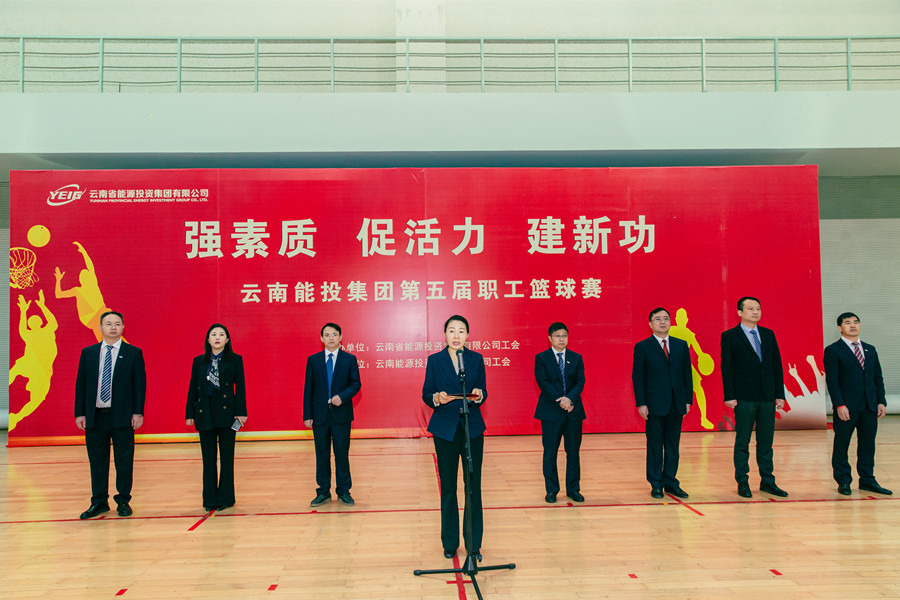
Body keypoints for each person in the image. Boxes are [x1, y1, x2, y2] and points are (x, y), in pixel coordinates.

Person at [422, 315, 487, 559]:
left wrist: (480, 394)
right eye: (451, 330)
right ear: (445, 334)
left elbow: (483, 390)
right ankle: (450, 543)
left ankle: (473, 544)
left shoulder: (476, 359)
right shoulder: (435, 360)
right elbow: (426, 393)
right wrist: (436, 398)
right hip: (445, 430)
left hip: (472, 429)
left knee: (473, 487)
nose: (456, 335)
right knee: (448, 487)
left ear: (468, 335)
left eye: (461, 331)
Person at [74, 310, 146, 519]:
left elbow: (139, 384)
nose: (113, 327)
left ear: (123, 327)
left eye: (117, 323)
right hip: (95, 416)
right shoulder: (88, 353)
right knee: (97, 460)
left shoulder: (133, 353)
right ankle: (99, 501)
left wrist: (138, 412)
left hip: (122, 416)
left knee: (124, 459)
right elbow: (81, 384)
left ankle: (123, 500)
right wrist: (80, 412)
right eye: (108, 323)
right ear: (100, 327)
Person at [720, 296, 787, 498]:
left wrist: (779, 394)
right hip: (744, 397)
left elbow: (776, 365)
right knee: (743, 442)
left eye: (758, 308)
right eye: (750, 309)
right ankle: (742, 481)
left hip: (767, 397)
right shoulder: (730, 336)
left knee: (766, 442)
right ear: (740, 312)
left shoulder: (768, 334)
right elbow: (726, 368)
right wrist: (730, 395)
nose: (755, 312)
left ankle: (768, 481)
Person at [823, 312, 891, 496]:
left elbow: (877, 378)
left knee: (868, 445)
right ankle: (844, 481)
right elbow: (832, 381)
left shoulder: (870, 349)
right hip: (847, 407)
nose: (853, 325)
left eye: (856, 322)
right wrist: (839, 405)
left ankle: (867, 480)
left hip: (870, 406)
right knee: (842, 445)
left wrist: (881, 401)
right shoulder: (833, 350)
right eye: (847, 323)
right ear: (840, 327)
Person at [185, 323, 248, 512]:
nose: (217, 337)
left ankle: (226, 498)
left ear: (227, 340)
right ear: (208, 339)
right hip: (205, 413)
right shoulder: (199, 361)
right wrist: (189, 413)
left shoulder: (235, 360)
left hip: (227, 413)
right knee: (208, 459)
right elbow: (192, 387)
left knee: (227, 458)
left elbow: (241, 387)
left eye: (221, 334)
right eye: (214, 334)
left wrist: (241, 412)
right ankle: (210, 498)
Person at [632, 308, 693, 499]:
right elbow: (638, 377)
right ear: (650, 324)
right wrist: (641, 403)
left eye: (666, 318)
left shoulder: (681, 345)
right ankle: (656, 483)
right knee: (655, 445)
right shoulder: (643, 346)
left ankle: (671, 482)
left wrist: (687, 400)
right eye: (657, 319)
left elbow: (687, 374)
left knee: (673, 445)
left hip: (676, 402)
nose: (662, 322)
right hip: (654, 404)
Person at [303, 323, 361, 507]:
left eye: (334, 334)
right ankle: (323, 491)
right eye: (327, 335)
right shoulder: (313, 360)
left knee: (341, 454)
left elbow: (356, 384)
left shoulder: (349, 359)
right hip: (319, 415)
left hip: (341, 415)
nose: (330, 338)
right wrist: (307, 414)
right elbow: (308, 389)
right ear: (321, 338)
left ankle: (344, 491)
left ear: (340, 337)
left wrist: (342, 397)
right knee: (322, 455)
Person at [534, 322, 586, 503]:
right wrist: (561, 400)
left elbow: (580, 381)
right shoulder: (541, 358)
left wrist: (569, 399)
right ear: (550, 338)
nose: (561, 339)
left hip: (573, 411)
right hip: (550, 412)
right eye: (557, 336)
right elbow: (543, 382)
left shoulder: (576, 357)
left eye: (564, 336)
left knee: (573, 452)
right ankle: (551, 490)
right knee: (550, 452)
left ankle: (573, 489)